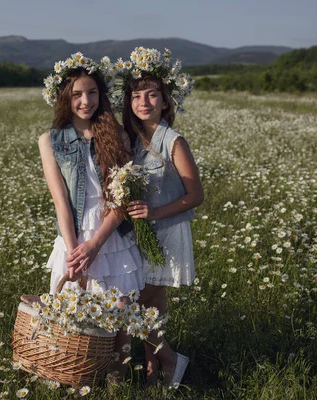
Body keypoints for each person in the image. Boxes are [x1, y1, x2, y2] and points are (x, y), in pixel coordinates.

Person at [38, 53, 145, 378]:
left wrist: (96, 244)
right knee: (78, 321)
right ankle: (82, 377)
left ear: (101, 94)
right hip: (74, 239)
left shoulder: (117, 135)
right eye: (77, 94)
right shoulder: (50, 141)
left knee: (121, 314)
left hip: (110, 237)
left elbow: (121, 199)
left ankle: (119, 379)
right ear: (65, 98)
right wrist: (75, 254)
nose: (86, 101)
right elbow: (60, 202)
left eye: (92, 92)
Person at [118, 48, 204, 386]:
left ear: (165, 101)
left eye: (152, 94)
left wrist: (154, 212)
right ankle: (155, 373)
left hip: (167, 235)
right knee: (153, 310)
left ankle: (169, 358)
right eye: (137, 96)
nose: (144, 101)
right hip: (146, 237)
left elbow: (196, 195)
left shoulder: (173, 141)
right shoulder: (138, 141)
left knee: (133, 305)